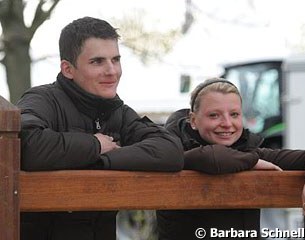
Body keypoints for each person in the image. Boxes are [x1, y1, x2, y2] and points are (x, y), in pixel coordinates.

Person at [17, 16, 184, 240]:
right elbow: (28, 146)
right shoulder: (41, 100)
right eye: (97, 61)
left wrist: (101, 159)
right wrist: (95, 144)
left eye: (115, 60)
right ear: (68, 69)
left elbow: (170, 150)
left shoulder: (118, 111)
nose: (112, 71)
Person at [156, 77, 305, 240]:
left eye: (234, 114)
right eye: (214, 115)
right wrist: (252, 161)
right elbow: (211, 157)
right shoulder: (172, 150)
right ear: (193, 120)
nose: (227, 123)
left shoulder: (248, 149)